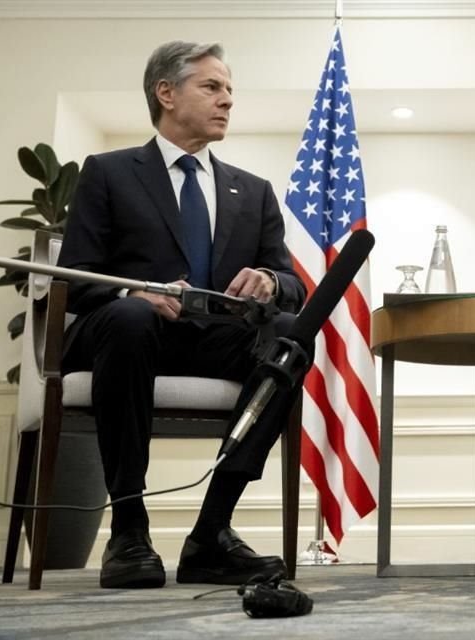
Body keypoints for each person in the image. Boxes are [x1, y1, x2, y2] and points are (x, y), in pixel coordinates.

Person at [57, 41, 307, 589]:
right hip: (124, 334)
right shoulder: (108, 172)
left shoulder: (255, 190)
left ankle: (211, 534)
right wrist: (132, 296)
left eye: (230, 90)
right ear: (165, 93)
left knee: (289, 337)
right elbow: (73, 279)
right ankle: (128, 531)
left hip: (214, 337)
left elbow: (292, 287)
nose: (227, 101)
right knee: (132, 321)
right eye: (212, 87)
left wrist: (270, 281)